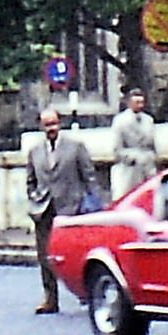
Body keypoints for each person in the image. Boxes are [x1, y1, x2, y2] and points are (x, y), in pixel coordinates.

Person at [27, 107, 99, 314]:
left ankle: (87, 296)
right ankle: (50, 298)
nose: (51, 128)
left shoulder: (75, 147)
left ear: (60, 123)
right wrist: (34, 199)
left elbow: (89, 177)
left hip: (71, 208)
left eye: (54, 123)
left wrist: (93, 205)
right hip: (44, 209)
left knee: (79, 254)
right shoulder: (34, 151)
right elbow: (30, 180)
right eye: (47, 124)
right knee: (45, 256)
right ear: (41, 126)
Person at [111, 87, 158, 197]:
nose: (140, 105)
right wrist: (134, 157)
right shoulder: (120, 121)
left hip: (147, 170)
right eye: (137, 102)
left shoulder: (149, 120)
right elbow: (117, 150)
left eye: (142, 102)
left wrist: (151, 158)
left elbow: (153, 146)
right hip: (129, 171)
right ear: (129, 103)